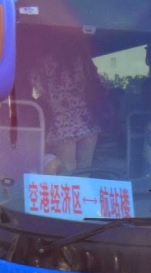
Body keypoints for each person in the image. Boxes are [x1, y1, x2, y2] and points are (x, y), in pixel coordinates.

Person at [28, 36, 104, 173]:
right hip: (88, 122)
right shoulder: (84, 62)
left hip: (62, 125)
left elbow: (37, 92)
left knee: (68, 170)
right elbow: (96, 85)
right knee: (85, 168)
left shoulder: (42, 65)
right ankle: (84, 194)